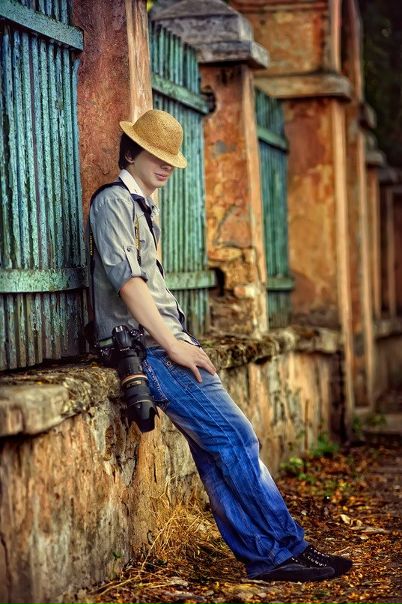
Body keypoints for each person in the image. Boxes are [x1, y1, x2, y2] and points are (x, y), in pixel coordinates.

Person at [87, 109, 352, 583]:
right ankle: (288, 548)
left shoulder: (142, 207)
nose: (165, 166)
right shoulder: (113, 203)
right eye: (156, 155)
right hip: (150, 349)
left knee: (217, 451)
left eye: (171, 159)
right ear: (131, 153)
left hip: (164, 343)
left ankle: (266, 557)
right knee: (237, 437)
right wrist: (174, 346)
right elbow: (128, 284)